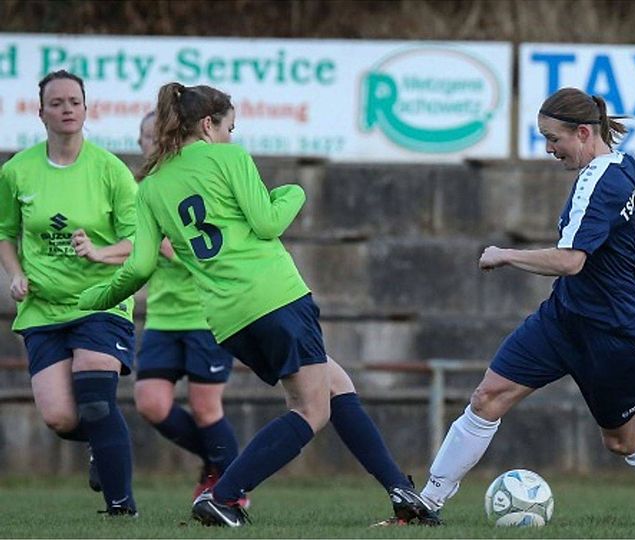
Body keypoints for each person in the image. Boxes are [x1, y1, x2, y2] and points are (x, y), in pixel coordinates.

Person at [79, 82, 439, 528]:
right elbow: (268, 223)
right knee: (310, 410)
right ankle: (224, 495)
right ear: (209, 125)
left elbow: (137, 270)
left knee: (334, 384)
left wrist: (91, 300)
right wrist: (294, 193)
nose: (232, 135)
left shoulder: (152, 186)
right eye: (230, 126)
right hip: (275, 299)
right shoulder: (228, 157)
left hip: (229, 321)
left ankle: (402, 493)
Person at [414, 87, 635, 525]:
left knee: (621, 441)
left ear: (584, 132)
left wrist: (506, 254)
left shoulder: (598, 180)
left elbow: (570, 261)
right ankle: (425, 505)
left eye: (554, 139)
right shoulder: (627, 167)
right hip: (563, 319)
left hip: (613, 331)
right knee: (487, 397)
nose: (549, 149)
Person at [0, 70, 139, 515]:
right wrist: (15, 273)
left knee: (97, 403)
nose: (66, 109)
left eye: (74, 102)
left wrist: (99, 253)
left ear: (86, 108)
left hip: (101, 301)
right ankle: (104, 442)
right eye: (56, 103)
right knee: (62, 418)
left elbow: (138, 242)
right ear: (40, 112)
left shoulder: (110, 170)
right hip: (43, 308)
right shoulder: (16, 171)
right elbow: (4, 232)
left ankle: (122, 508)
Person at [132, 110, 245, 506]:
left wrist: (173, 248)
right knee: (150, 402)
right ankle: (221, 462)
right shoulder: (143, 190)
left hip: (204, 316)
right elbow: (133, 252)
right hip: (163, 317)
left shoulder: (196, 181)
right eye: (144, 137)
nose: (151, 142)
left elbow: (216, 249)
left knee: (204, 406)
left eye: (156, 134)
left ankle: (233, 492)